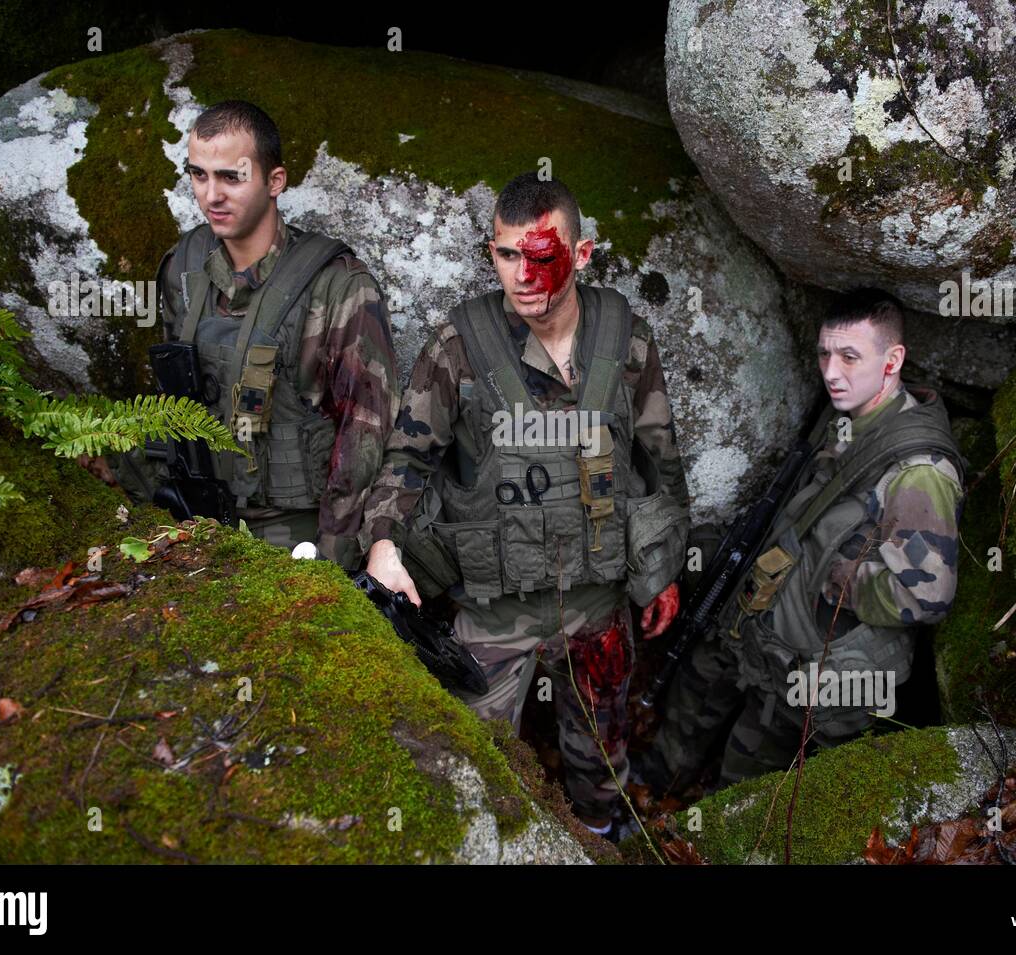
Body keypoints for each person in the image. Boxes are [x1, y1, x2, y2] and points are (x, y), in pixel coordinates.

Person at [359, 173, 690, 835]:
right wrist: (384, 544)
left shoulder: (626, 341)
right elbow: (407, 454)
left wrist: (663, 569)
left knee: (602, 754)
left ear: (584, 254)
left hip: (598, 599)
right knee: (468, 761)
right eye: (508, 254)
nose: (523, 273)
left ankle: (599, 833)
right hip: (495, 605)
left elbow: (660, 461)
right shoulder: (461, 345)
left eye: (543, 254)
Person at [637, 291, 965, 795]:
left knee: (744, 781)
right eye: (824, 354)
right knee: (693, 699)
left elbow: (926, 595)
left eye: (850, 357)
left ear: (892, 360)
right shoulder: (848, 421)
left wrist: (837, 581)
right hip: (762, 621)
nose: (831, 371)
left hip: (813, 662)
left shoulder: (918, 473)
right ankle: (647, 796)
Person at [106, 100, 399, 568]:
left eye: (231, 177)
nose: (211, 196)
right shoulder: (184, 265)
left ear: (274, 181)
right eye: (199, 175)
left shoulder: (338, 285)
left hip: (291, 530)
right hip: (191, 514)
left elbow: (364, 436)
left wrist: (333, 560)